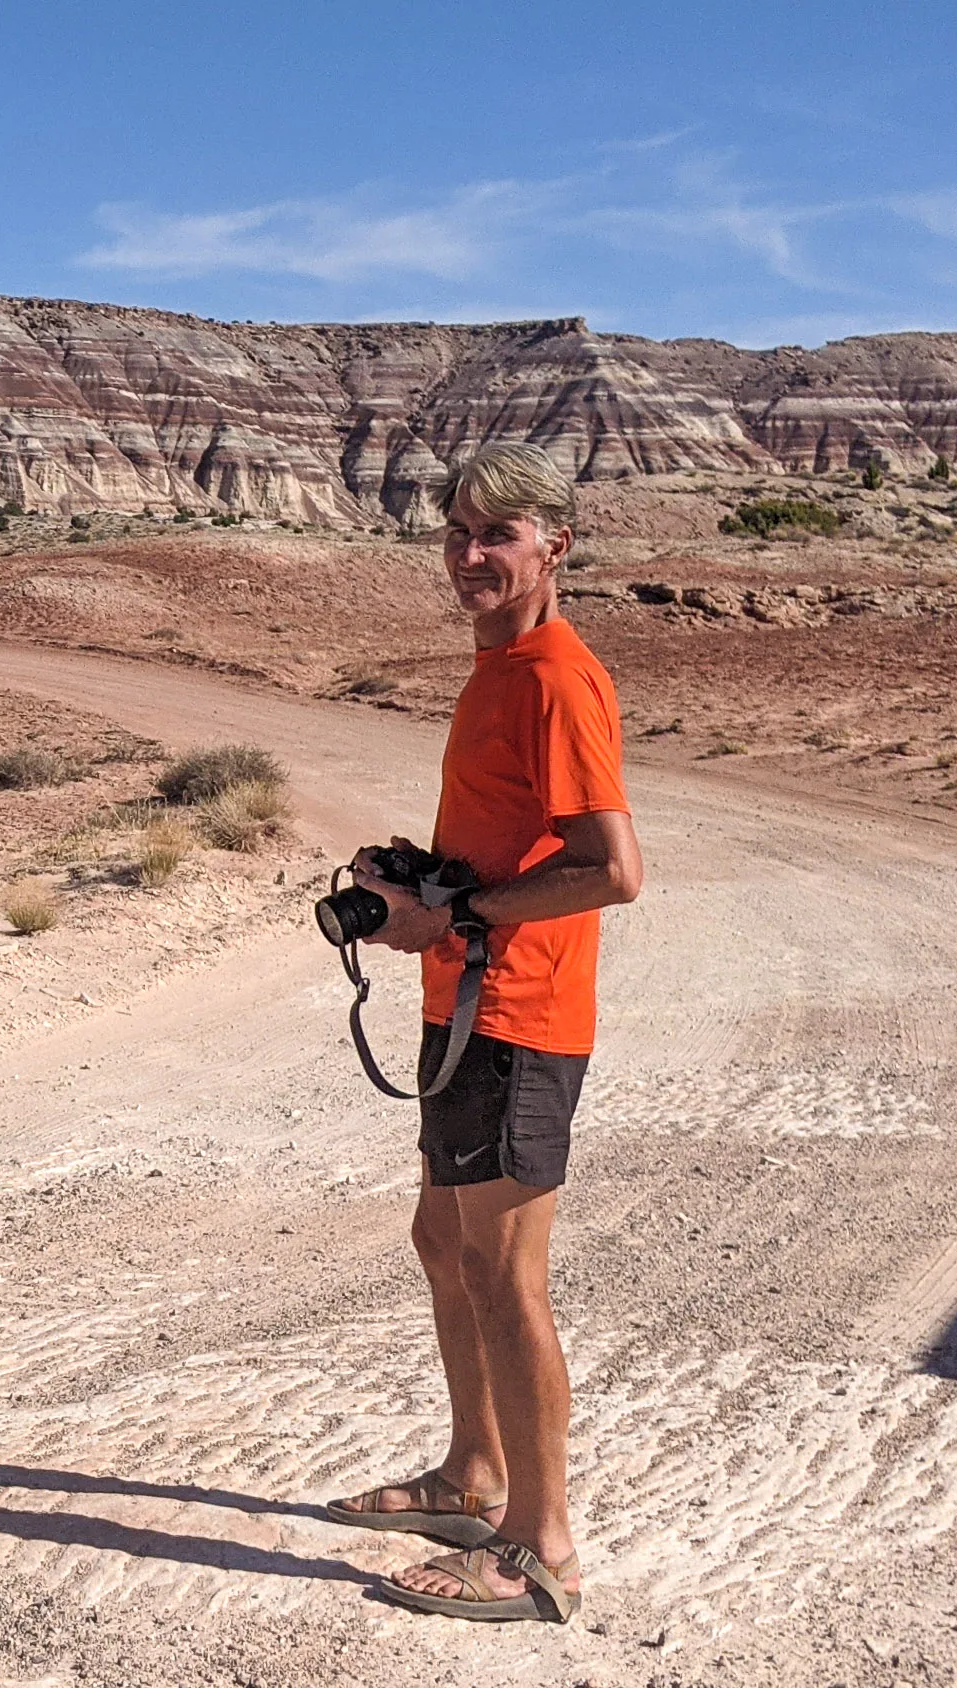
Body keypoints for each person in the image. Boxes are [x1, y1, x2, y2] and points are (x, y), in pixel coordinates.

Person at [321, 441, 641, 1624]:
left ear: (555, 544)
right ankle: (474, 1471)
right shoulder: (496, 670)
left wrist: (454, 912)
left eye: (497, 534)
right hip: (465, 1003)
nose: (469, 554)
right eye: (457, 531)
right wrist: (426, 879)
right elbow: (522, 848)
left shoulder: (557, 676)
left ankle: (541, 1544)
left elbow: (615, 871)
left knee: (507, 1275)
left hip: (520, 1016)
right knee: (443, 1243)